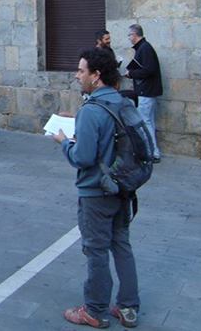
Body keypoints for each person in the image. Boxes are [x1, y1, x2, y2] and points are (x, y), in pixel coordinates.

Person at [53, 48, 140, 329]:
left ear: (96, 75)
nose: (77, 75)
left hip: (96, 191)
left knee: (96, 250)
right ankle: (128, 307)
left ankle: (95, 310)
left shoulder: (91, 110)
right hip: (123, 186)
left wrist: (64, 143)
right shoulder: (121, 102)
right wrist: (78, 122)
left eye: (81, 70)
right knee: (121, 245)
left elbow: (83, 157)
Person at [125, 24, 163, 163]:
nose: (129, 38)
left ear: (135, 34)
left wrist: (131, 73)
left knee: (145, 122)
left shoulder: (144, 48)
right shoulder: (143, 48)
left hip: (146, 91)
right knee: (148, 121)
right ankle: (153, 151)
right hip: (146, 90)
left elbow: (149, 70)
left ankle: (152, 152)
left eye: (129, 35)